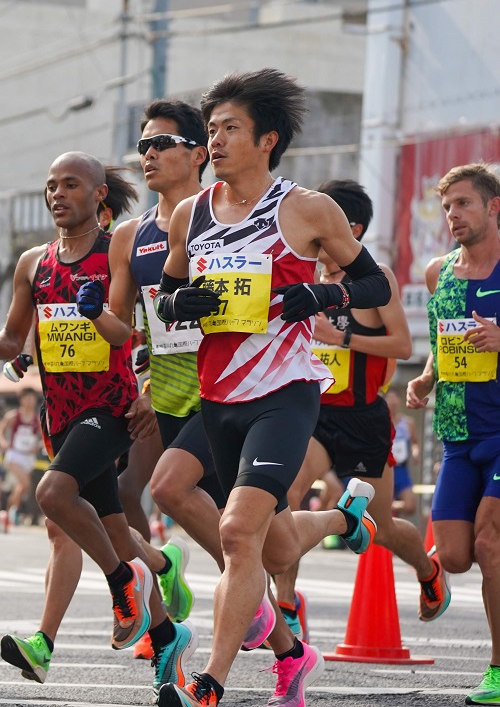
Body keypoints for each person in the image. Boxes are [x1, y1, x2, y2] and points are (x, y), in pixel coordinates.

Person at [151, 68, 392, 707]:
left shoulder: (307, 209)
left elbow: (375, 287)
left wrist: (320, 292)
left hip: (285, 391)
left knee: (236, 534)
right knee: (275, 541)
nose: (217, 141)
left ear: (268, 139)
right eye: (211, 130)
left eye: (231, 128)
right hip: (218, 392)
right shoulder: (189, 214)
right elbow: (168, 300)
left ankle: (214, 681)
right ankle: (343, 518)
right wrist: (184, 301)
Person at [0, 152, 197, 700]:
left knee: (53, 494)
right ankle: (165, 634)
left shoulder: (119, 250)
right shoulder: (32, 264)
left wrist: (151, 386)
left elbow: (134, 331)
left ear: (98, 195)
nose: (57, 194)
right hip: (59, 414)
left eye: (70, 185)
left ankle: (122, 581)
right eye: (50, 186)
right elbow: (14, 344)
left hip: (110, 407)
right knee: (111, 528)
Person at [77, 98, 227, 660]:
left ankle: (264, 603)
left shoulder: (226, 220)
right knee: (126, 493)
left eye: (160, 143)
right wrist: (95, 312)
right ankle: (171, 579)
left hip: (225, 387)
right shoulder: (129, 237)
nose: (147, 154)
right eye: (141, 146)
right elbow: (123, 331)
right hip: (162, 390)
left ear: (196, 153)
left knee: (235, 520)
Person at [274, 179, 450, 639]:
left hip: (364, 416)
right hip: (312, 412)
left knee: (383, 527)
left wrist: (342, 338)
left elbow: (403, 343)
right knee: (283, 495)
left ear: (348, 228)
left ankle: (428, 572)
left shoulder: (376, 280)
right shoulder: (306, 276)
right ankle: (288, 603)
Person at [406, 162, 500, 706]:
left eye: (463, 204)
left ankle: (498, 667)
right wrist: (424, 377)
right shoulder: (437, 272)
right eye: (447, 207)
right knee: (459, 556)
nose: (453, 216)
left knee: (490, 544)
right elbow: (445, 344)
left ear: (493, 207)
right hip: (459, 436)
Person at [0, 387, 42, 530]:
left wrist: (36, 447)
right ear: (21, 399)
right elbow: (1, 430)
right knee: (24, 484)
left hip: (28, 456)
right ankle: (14, 511)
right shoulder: (13, 416)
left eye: (32, 398)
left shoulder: (37, 419)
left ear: (35, 400)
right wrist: (3, 443)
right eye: (27, 398)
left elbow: (44, 438)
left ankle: (6, 514)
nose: (29, 401)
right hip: (14, 454)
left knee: (21, 487)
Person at [385, 387, 420, 516]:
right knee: (381, 508)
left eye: (395, 399)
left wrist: (415, 452)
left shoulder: (408, 423)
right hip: (385, 469)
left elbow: (415, 442)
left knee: (410, 506)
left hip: (401, 469)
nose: (392, 403)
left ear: (399, 401)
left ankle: (392, 506)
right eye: (389, 399)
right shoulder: (380, 423)